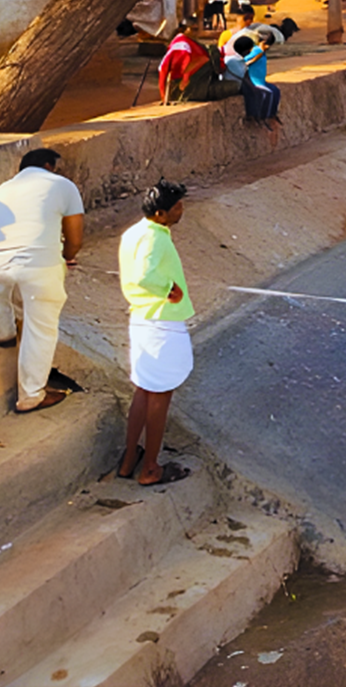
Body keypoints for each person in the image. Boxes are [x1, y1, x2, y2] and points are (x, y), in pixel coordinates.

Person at [0, 148, 84, 413]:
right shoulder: (63, 185)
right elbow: (75, 239)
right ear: (48, 165)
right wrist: (66, 257)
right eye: (56, 167)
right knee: (41, 327)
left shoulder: (1, 190)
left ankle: (4, 333)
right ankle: (31, 395)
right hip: (36, 264)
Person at [117, 180, 196, 486]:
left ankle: (128, 461)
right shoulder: (156, 238)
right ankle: (150, 467)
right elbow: (143, 275)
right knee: (160, 395)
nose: (182, 211)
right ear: (161, 213)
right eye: (177, 207)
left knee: (144, 389)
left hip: (140, 318)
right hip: (162, 322)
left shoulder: (134, 232)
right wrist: (168, 290)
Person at [158, 20, 234, 103]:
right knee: (234, 86)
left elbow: (205, 60)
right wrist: (163, 96)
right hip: (191, 86)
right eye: (193, 29)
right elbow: (163, 74)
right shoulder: (181, 47)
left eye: (196, 30)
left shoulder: (191, 44)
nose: (195, 33)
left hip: (201, 80)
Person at [226, 34, 281, 129]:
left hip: (260, 80)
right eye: (266, 44)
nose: (267, 47)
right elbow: (245, 61)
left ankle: (272, 114)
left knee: (276, 91)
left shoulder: (259, 51)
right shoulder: (256, 51)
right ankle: (262, 117)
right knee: (266, 94)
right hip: (255, 81)